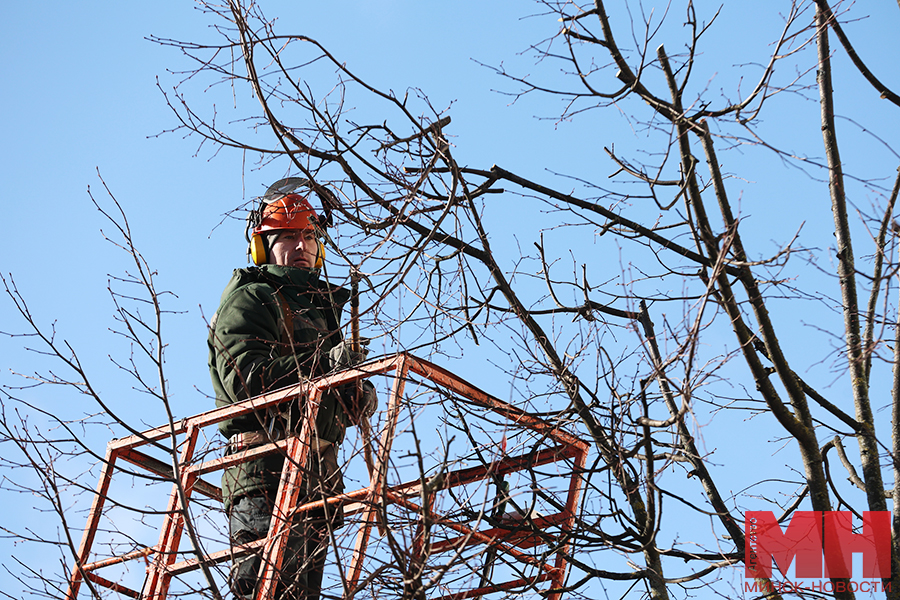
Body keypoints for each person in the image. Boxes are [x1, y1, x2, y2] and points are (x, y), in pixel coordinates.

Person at [208, 180, 374, 600]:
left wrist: (356, 393)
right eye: (286, 237)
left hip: (317, 483)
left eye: (308, 236)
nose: (300, 246)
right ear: (263, 247)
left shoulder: (321, 309)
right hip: (264, 476)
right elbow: (245, 377)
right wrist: (326, 366)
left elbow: (324, 388)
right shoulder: (252, 299)